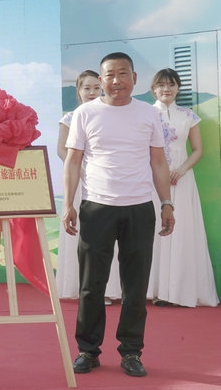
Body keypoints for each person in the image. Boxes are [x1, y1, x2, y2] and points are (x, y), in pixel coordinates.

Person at [62, 52, 175, 378]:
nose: (116, 81)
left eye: (122, 73)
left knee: (135, 286)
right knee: (91, 285)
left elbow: (158, 161)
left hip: (139, 208)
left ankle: (131, 351)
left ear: (134, 78)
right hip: (96, 207)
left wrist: (166, 203)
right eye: (109, 75)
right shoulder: (85, 113)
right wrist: (68, 204)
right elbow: (73, 161)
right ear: (101, 80)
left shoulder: (149, 114)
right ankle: (88, 350)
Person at [147, 68, 218, 307]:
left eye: (171, 84)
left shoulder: (189, 116)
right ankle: (153, 290)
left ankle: (178, 292)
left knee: (182, 232)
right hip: (152, 180)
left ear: (178, 88)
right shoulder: (145, 114)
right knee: (153, 231)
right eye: (161, 85)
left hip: (182, 180)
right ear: (153, 89)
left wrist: (181, 169)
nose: (166, 89)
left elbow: (198, 150)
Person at [55, 70, 122, 304]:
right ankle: (85, 288)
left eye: (96, 88)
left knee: (108, 237)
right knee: (84, 237)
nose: (92, 92)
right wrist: (81, 170)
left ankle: (109, 288)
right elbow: (62, 150)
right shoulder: (70, 118)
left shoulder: (111, 115)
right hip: (79, 183)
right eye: (87, 88)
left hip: (108, 185)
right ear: (78, 91)